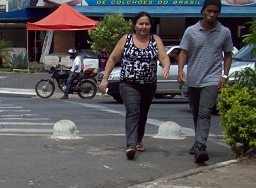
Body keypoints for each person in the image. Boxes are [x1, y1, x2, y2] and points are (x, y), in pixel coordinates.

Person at [99, 12, 170, 160]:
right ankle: (131, 145)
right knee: (133, 111)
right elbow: (113, 58)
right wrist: (105, 78)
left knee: (143, 113)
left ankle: (138, 140)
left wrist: (166, 67)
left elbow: (163, 56)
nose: (144, 27)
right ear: (135, 25)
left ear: (151, 26)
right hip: (128, 84)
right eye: (141, 23)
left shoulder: (155, 40)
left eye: (147, 24)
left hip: (149, 85)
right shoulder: (127, 39)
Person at [177, 0, 233, 164]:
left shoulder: (224, 32)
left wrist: (224, 76)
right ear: (202, 11)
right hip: (193, 78)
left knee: (204, 113)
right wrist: (181, 70)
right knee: (196, 113)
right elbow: (183, 52)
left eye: (215, 12)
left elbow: (228, 54)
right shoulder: (191, 31)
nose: (212, 15)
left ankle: (201, 146)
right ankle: (197, 143)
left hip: (212, 79)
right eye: (209, 11)